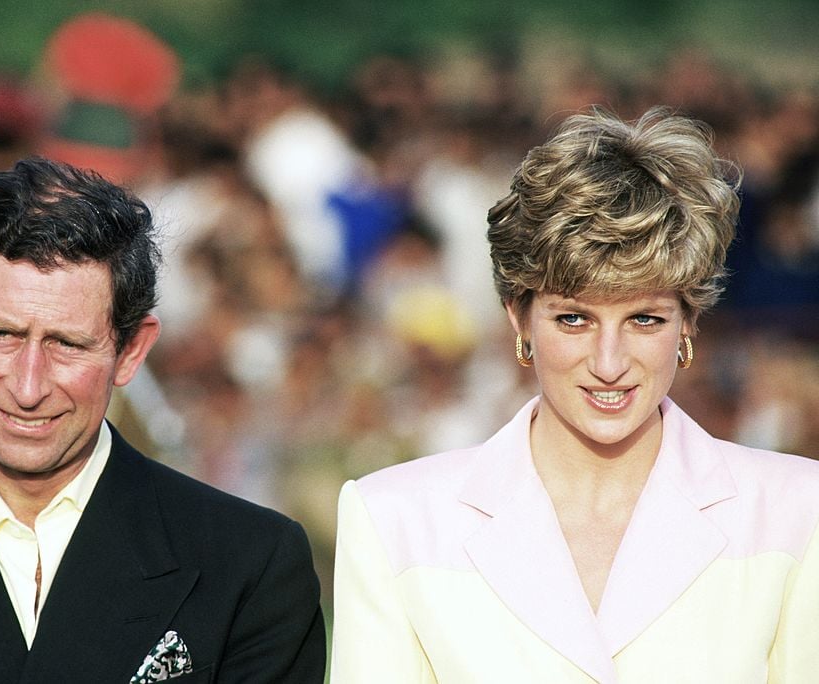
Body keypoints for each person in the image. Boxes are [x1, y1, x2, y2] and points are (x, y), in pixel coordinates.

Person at [330, 108, 819, 682]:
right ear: (519, 318)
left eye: (644, 319)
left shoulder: (795, 510)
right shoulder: (397, 519)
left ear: (688, 322)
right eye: (573, 319)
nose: (609, 364)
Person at [0, 157, 326, 683]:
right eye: (2, 335)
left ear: (131, 352)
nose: (28, 387)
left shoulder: (249, 567)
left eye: (67, 345)